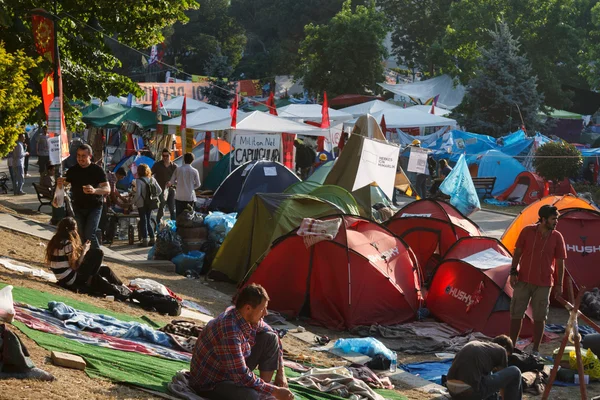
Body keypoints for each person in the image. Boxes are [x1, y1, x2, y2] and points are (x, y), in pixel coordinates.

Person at [190, 284, 294, 400]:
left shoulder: (246, 317)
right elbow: (241, 375)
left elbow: (273, 335)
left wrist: (281, 373)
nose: (265, 313)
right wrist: (275, 391)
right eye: (262, 309)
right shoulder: (230, 330)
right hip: (211, 383)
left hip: (231, 371)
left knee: (270, 338)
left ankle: (264, 391)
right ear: (248, 308)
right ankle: (265, 393)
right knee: (250, 397)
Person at [509, 205, 566, 355]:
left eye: (557, 219)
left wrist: (559, 285)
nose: (556, 222)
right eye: (553, 219)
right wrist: (513, 272)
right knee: (516, 314)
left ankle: (535, 351)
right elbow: (518, 253)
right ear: (543, 219)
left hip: (544, 284)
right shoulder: (527, 231)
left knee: (540, 317)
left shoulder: (557, 237)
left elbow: (560, 263)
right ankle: (511, 347)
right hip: (523, 281)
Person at [58, 144, 110, 249]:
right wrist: (60, 183)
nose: (80, 158)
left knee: (90, 233)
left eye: (83, 156)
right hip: (78, 206)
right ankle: (84, 257)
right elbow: (64, 185)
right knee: (80, 234)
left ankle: (97, 255)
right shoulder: (72, 170)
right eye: (78, 155)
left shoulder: (97, 170)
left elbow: (107, 189)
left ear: (90, 156)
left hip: (94, 207)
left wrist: (94, 190)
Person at [447, 335, 522, 400]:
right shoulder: (501, 350)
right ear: (505, 347)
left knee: (488, 376)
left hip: (451, 390)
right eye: (507, 356)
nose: (506, 359)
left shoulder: (476, 345)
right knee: (515, 371)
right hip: (469, 393)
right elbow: (504, 384)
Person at [45, 217, 104, 290]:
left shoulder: (54, 240)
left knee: (104, 269)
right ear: (72, 230)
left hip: (60, 276)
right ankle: (90, 280)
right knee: (98, 253)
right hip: (70, 279)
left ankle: (120, 285)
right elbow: (75, 266)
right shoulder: (68, 244)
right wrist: (84, 251)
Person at [133, 163, 162, 247]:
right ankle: (153, 239)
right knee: (148, 220)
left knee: (143, 220)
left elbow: (138, 194)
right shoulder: (152, 179)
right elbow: (160, 190)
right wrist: (153, 197)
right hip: (150, 203)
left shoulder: (139, 180)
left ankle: (145, 240)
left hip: (141, 203)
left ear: (139, 171)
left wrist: (132, 202)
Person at [167, 152, 200, 217]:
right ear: (192, 160)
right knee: (189, 216)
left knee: (179, 216)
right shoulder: (195, 171)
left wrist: (178, 184)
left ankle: (179, 227)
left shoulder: (178, 169)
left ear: (184, 159)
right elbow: (198, 184)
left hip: (179, 196)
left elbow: (172, 182)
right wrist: (191, 187)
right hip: (189, 197)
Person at [151, 148, 177, 222]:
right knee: (161, 207)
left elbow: (178, 178)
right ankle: (158, 225)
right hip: (160, 189)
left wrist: (172, 182)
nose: (165, 157)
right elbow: (149, 174)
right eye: (163, 156)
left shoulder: (174, 166)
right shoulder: (157, 165)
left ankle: (174, 225)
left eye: (167, 156)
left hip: (171, 189)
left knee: (172, 208)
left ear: (170, 155)